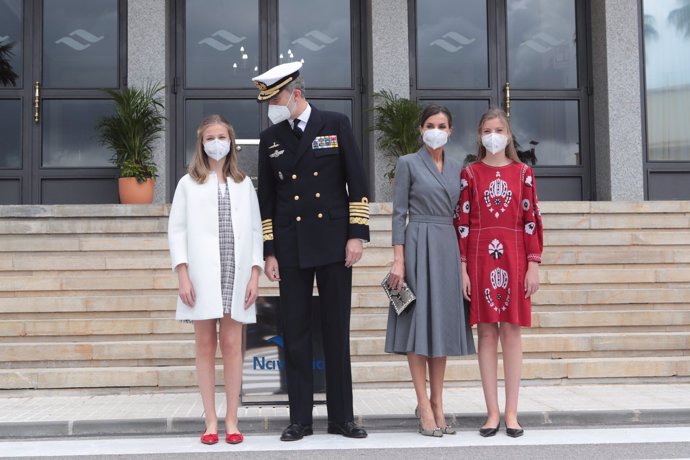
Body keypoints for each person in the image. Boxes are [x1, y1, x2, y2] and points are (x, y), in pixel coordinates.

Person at [252, 62, 370, 441]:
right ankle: (299, 419)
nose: (271, 106)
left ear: (295, 94)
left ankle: (342, 417)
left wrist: (357, 235)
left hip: (335, 242)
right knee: (297, 332)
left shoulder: (335, 124)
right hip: (291, 245)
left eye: (276, 99)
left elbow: (358, 182)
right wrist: (269, 251)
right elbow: (266, 200)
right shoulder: (270, 137)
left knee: (336, 330)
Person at [168, 114, 263, 445]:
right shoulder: (188, 184)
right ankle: (210, 421)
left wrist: (255, 273)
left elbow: (255, 231)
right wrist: (182, 275)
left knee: (233, 345)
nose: (216, 142)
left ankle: (232, 419)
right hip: (201, 275)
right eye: (210, 137)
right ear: (202, 143)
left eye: (222, 136)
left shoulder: (243, 183)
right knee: (205, 346)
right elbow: (177, 231)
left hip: (235, 275)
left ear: (231, 141)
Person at [385, 105, 476, 437]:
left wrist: (465, 263)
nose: (435, 130)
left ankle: (439, 402)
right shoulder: (408, 163)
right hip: (416, 242)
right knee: (415, 324)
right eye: (429, 125)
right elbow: (398, 214)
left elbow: (463, 216)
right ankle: (423, 404)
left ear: (451, 131)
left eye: (442, 125)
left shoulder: (459, 169)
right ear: (421, 129)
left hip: (447, 246)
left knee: (440, 327)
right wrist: (399, 259)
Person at [454, 108, 543, 438]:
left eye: (499, 129)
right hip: (479, 255)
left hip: (515, 254)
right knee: (487, 333)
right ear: (480, 135)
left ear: (508, 134)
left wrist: (533, 263)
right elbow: (462, 223)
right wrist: (462, 267)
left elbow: (531, 218)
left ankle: (512, 413)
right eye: (487, 130)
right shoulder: (470, 174)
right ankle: (491, 412)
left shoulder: (523, 174)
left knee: (512, 332)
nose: (493, 135)